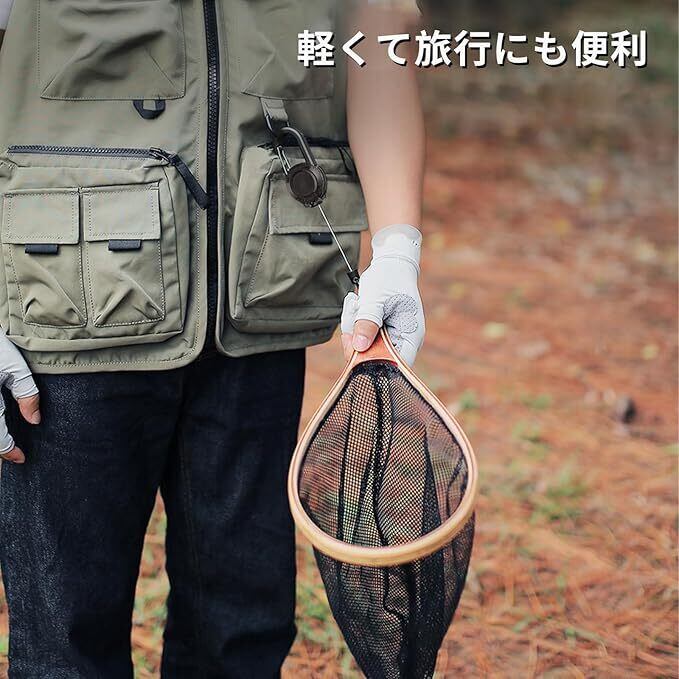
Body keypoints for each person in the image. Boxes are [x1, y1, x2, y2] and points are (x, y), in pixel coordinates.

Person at [0, 0, 425, 676]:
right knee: (66, 643)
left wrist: (398, 248)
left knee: (241, 632)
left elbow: (377, 27)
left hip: (263, 304)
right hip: (64, 312)